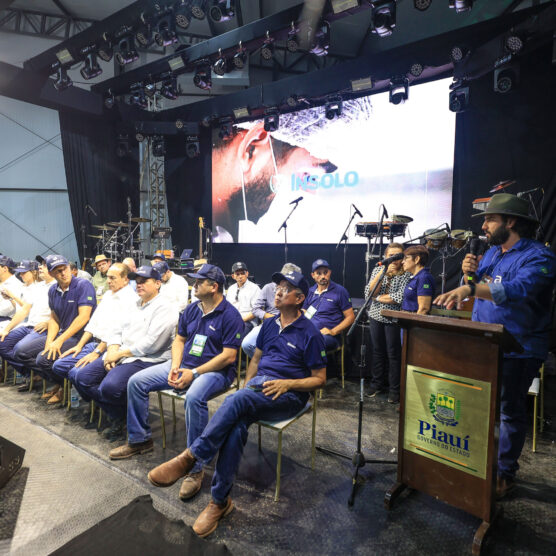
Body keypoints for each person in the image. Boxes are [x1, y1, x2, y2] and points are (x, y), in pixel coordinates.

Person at [147, 269, 326, 538]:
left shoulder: (310, 333)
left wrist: (288, 384)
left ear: (299, 298)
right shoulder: (269, 323)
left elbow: (320, 380)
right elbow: (255, 360)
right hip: (259, 388)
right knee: (237, 424)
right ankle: (220, 502)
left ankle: (192, 456)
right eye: (277, 286)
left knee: (237, 402)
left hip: (288, 394)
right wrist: (248, 387)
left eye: (285, 289)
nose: (277, 291)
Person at [434, 193, 556, 499]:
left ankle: (504, 473)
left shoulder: (539, 257)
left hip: (519, 347)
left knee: (508, 411)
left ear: (510, 222)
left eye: (490, 219)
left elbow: (517, 289)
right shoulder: (492, 253)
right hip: (484, 341)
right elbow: (479, 284)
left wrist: (470, 285)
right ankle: (478, 463)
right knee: (480, 407)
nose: (484, 226)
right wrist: (468, 273)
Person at [109, 264, 243, 504]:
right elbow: (179, 340)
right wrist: (175, 366)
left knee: (194, 398)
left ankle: (195, 467)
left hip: (215, 371)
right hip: (185, 365)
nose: (194, 285)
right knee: (137, 381)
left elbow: (229, 357)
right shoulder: (192, 310)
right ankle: (140, 440)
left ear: (213, 287)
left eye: (199, 282)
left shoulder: (230, 315)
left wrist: (193, 372)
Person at [72, 265, 177, 441]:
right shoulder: (134, 303)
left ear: (158, 283)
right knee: (82, 378)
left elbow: (151, 344)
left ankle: (118, 415)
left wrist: (118, 355)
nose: (139, 284)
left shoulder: (166, 307)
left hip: (148, 359)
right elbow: (116, 329)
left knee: (110, 388)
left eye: (144, 281)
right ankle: (118, 413)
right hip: (122, 353)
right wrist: (112, 349)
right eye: (137, 281)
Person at [12, 255, 96, 404]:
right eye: (58, 271)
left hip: (82, 336)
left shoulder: (83, 285)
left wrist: (58, 341)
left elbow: (83, 317)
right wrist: (49, 342)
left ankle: (64, 386)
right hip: (63, 333)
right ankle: (60, 382)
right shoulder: (53, 290)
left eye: (64, 269)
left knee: (43, 359)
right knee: (21, 351)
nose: (63, 273)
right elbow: (54, 319)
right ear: (51, 274)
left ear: (69, 268)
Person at [51, 263, 138, 398]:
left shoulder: (131, 300)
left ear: (125, 279)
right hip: (95, 344)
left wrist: (96, 353)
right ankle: (93, 397)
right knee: (58, 366)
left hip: (110, 348)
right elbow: (93, 324)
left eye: (112, 278)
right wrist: (79, 346)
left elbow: (115, 334)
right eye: (108, 277)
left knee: (77, 374)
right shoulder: (108, 294)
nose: (108, 281)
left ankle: (106, 403)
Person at [365, 243, 411, 403]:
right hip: (375, 315)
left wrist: (377, 298)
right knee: (377, 351)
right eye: (391, 255)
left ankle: (394, 390)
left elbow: (398, 298)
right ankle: (377, 384)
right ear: (385, 256)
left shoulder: (406, 273)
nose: (394, 259)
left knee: (394, 354)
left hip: (394, 318)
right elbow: (369, 292)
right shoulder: (378, 270)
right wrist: (383, 274)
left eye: (398, 255)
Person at [0, 260, 51, 390]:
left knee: (19, 349)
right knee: (3, 343)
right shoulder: (38, 287)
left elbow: (62, 313)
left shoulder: (54, 287)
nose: (21, 275)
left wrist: (49, 323)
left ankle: (51, 376)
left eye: (24, 273)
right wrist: (7, 330)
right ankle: (31, 372)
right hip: (28, 324)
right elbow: (24, 309)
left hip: (42, 326)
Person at [241, 262, 302, 358]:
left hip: (290, 326)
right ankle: (268, 365)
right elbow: (255, 309)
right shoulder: (268, 288)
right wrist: (272, 317)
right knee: (247, 344)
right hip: (268, 323)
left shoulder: (299, 293)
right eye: (283, 278)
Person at [303, 259, 354, 351]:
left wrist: (333, 331)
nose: (323, 276)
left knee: (312, 342)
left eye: (325, 272)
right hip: (309, 332)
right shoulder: (310, 291)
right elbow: (304, 312)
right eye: (319, 273)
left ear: (330, 272)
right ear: (313, 275)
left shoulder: (340, 291)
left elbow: (350, 317)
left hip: (328, 336)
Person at [225, 262, 261, 334]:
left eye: (242, 273)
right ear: (233, 276)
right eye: (237, 274)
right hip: (232, 321)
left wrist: (239, 320)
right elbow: (227, 308)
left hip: (247, 322)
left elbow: (256, 311)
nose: (240, 276)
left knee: (234, 336)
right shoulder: (231, 289)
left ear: (247, 274)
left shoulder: (255, 288)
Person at [401, 245, 435, 315]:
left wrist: (415, 324)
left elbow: (424, 308)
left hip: (414, 322)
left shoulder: (424, 278)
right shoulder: (416, 277)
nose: (402, 262)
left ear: (416, 259)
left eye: (406, 258)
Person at [0, 256, 24, 322]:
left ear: (5, 268)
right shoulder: (2, 283)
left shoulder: (16, 284)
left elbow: (10, 308)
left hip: (6, 320)